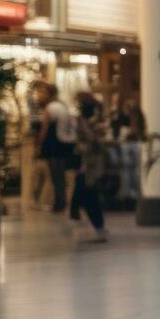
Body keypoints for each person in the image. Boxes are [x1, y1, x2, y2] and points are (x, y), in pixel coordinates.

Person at [71, 92, 109, 241]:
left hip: (89, 164)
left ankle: (99, 228)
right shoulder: (93, 121)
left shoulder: (86, 122)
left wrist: (84, 163)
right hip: (90, 163)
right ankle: (98, 228)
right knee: (88, 194)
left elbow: (89, 142)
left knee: (88, 194)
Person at [36, 83, 75, 213]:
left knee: (55, 175)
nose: (40, 95)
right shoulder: (62, 106)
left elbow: (44, 129)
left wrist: (39, 145)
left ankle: (59, 203)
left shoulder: (50, 108)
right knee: (60, 175)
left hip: (53, 144)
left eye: (43, 93)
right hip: (63, 144)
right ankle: (61, 201)